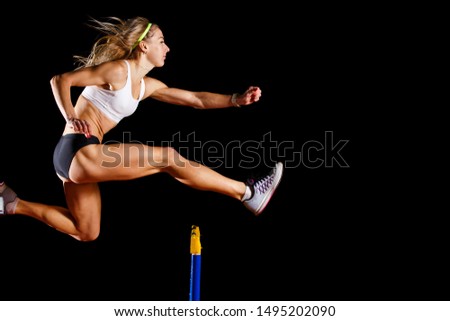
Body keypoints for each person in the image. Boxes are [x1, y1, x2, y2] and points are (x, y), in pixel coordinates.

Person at [0, 16, 283, 241]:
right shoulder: (118, 71)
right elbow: (59, 80)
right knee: (168, 158)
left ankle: (14, 204)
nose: (168, 48)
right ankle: (246, 193)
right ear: (144, 46)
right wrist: (71, 116)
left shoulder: (146, 86)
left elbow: (195, 99)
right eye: (162, 41)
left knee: (87, 231)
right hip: (79, 150)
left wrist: (235, 100)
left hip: (75, 160)